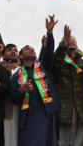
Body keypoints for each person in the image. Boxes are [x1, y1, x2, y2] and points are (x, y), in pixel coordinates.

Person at [10, 15, 60, 146]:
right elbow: (14, 99)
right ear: (20, 56)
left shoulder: (43, 67)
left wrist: (49, 33)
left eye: (32, 48)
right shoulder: (16, 76)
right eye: (27, 48)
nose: (31, 49)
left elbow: (49, 53)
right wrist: (21, 90)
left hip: (47, 113)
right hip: (28, 118)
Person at [53, 25, 83, 146]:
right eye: (69, 43)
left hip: (82, 107)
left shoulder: (82, 62)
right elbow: (56, 62)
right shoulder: (60, 62)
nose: (72, 45)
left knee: (81, 141)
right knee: (64, 141)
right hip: (66, 108)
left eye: (73, 43)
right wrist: (63, 44)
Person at [2, 43, 20, 146]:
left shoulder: (24, 69)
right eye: (9, 50)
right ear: (3, 55)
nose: (13, 51)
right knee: (9, 140)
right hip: (8, 109)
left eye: (15, 50)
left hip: (24, 110)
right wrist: (7, 73)